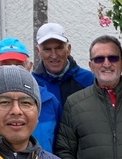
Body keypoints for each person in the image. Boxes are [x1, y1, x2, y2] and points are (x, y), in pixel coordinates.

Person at [31, 23, 96, 151]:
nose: (54, 55)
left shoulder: (89, 80)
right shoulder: (32, 84)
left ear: (69, 49)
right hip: (46, 158)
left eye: (59, 48)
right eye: (47, 49)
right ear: (38, 51)